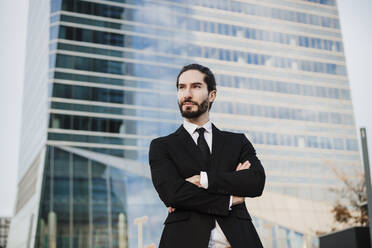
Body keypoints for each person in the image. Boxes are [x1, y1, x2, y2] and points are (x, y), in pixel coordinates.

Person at [149, 63, 266, 248]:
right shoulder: (162, 146)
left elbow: (255, 181)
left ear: (212, 95)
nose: (187, 94)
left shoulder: (237, 142)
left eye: (195, 86)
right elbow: (173, 194)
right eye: (181, 87)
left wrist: (203, 179)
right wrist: (230, 198)